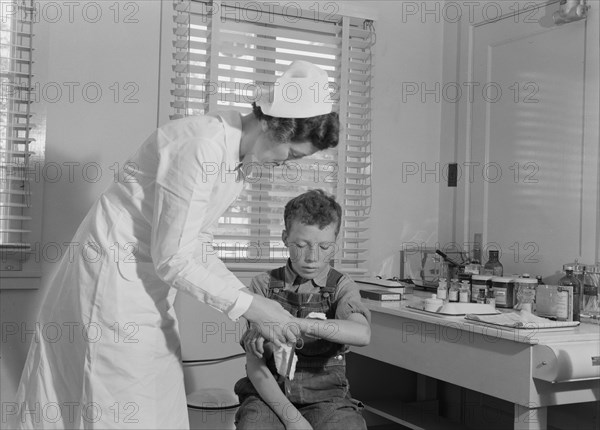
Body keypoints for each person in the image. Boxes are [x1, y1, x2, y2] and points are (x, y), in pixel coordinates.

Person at [11, 61, 340, 429]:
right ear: (274, 126)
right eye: (292, 154)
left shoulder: (236, 162)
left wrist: (252, 304)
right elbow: (173, 257)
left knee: (156, 397)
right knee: (115, 401)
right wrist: (253, 307)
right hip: (112, 282)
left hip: (147, 283)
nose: (285, 164)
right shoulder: (200, 146)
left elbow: (198, 243)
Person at [234, 189, 371, 430]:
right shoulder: (262, 285)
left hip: (328, 400)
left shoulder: (341, 286)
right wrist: (293, 419)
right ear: (285, 237)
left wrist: (296, 324)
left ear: (335, 244)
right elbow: (255, 367)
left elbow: (362, 334)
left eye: (325, 246)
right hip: (269, 397)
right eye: (300, 245)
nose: (312, 257)